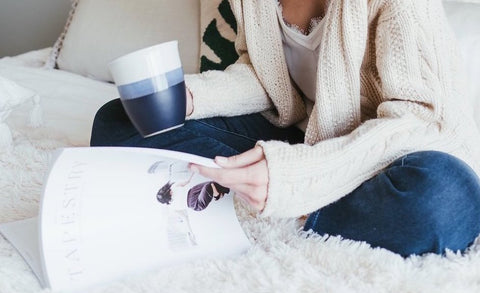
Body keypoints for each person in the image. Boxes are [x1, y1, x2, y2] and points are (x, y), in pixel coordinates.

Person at [91, 0, 480, 257]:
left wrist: (294, 177)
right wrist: (191, 97)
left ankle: (282, 202)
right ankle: (256, 187)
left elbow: (423, 119)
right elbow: (266, 77)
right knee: (118, 120)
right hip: (311, 137)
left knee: (446, 200)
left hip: (403, 152)